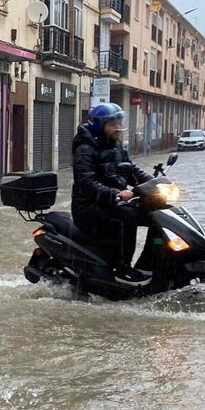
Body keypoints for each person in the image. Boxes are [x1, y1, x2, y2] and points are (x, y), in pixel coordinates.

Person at [71, 103, 153, 286]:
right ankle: (122, 268)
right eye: (112, 124)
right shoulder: (85, 149)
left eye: (119, 123)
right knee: (129, 215)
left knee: (153, 213)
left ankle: (153, 263)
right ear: (99, 126)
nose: (118, 128)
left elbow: (132, 170)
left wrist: (156, 183)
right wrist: (116, 193)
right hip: (88, 207)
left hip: (111, 203)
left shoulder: (115, 147)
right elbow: (86, 182)